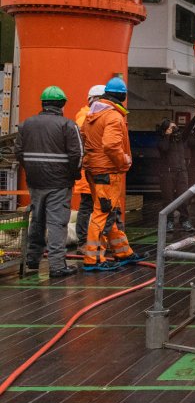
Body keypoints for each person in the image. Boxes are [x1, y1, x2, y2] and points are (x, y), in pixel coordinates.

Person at [15, 86, 83, 278]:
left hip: (35, 181)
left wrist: (31, 168)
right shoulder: (68, 125)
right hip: (59, 183)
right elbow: (77, 155)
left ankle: (32, 259)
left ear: (43, 103)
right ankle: (57, 265)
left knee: (37, 220)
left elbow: (19, 152)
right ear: (62, 104)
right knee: (57, 222)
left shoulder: (26, 124)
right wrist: (73, 175)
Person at [80, 77, 141, 271]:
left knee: (109, 213)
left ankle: (123, 252)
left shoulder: (92, 114)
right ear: (122, 96)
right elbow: (111, 145)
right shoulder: (113, 116)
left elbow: (84, 139)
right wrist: (124, 161)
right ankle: (94, 260)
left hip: (94, 169)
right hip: (108, 172)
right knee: (103, 214)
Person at [73, 84, 104, 248]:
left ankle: (89, 240)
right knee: (87, 207)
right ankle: (84, 241)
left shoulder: (88, 117)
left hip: (93, 170)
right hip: (90, 171)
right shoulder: (85, 119)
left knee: (91, 207)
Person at [157, 114, 194, 232]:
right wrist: (167, 136)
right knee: (168, 198)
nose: (173, 130)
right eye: (170, 128)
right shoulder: (162, 141)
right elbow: (164, 148)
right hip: (167, 173)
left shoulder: (180, 140)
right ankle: (169, 221)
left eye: (174, 128)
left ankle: (185, 220)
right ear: (165, 129)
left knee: (183, 197)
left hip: (181, 172)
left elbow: (188, 129)